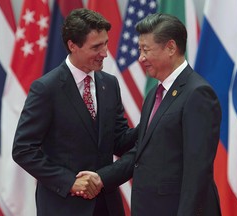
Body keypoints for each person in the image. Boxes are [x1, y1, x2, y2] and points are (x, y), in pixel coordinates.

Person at [80, 13, 222, 216]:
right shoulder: (154, 95)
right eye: (139, 49)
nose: (140, 58)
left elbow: (197, 171)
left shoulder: (197, 93)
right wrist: (101, 178)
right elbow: (141, 152)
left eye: (146, 50)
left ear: (171, 48)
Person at [12, 8, 137, 216]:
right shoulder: (46, 89)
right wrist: (70, 182)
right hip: (65, 207)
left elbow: (119, 140)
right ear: (73, 45)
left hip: (107, 206)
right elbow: (23, 150)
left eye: (105, 43)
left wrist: (153, 121)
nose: (105, 52)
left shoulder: (110, 83)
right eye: (96, 46)